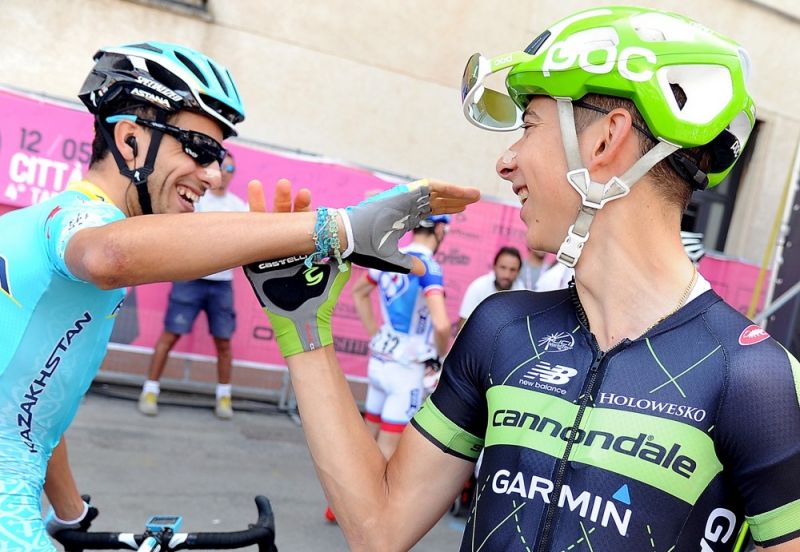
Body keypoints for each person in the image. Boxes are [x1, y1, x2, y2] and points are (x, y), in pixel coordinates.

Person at [246, 6, 800, 551]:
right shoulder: (503, 329)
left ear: (605, 141)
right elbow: (379, 529)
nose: (506, 162)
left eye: (528, 127)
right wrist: (302, 323)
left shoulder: (758, 379)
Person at [0, 40, 478, 550]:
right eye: (199, 149)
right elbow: (108, 256)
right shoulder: (77, 219)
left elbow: (31, 414)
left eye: (220, 157)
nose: (212, 175)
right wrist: (336, 228)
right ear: (130, 139)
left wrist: (72, 514)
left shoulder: (54, 225)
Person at [138, 152, 247, 419]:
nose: (225, 174)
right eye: (221, 168)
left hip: (221, 285)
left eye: (230, 169)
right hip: (189, 279)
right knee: (170, 334)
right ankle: (150, 390)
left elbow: (244, 247)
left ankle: (224, 397)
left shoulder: (239, 207)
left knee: (224, 342)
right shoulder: (197, 200)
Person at [351, 214, 452, 458]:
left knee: (367, 438)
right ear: (439, 230)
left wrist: (376, 333)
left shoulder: (390, 255)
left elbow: (358, 292)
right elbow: (441, 325)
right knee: (388, 449)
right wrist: (440, 358)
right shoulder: (428, 266)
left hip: (381, 358)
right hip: (407, 367)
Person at [457, 245, 523, 330]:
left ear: (518, 272)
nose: (507, 275)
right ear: (494, 267)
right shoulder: (478, 287)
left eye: (512, 270)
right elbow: (463, 326)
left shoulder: (523, 294)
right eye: (503, 268)